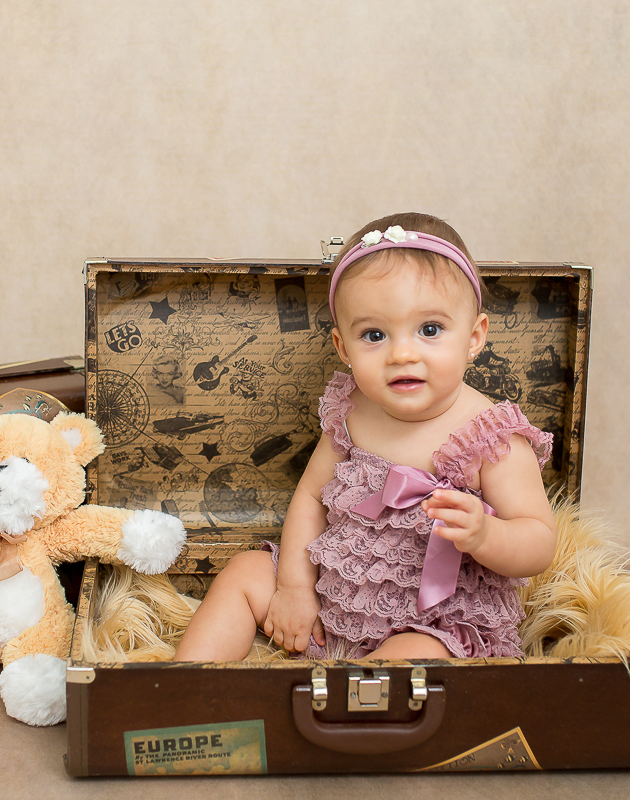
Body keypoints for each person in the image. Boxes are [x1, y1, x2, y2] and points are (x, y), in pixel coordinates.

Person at [174, 213, 558, 661]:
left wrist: (485, 534)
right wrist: (295, 588)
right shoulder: (352, 410)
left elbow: (539, 542)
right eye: (374, 335)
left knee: (418, 656)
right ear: (343, 348)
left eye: (429, 330)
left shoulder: (492, 437)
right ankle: (186, 692)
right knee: (245, 572)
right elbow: (311, 497)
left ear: (474, 337)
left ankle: (341, 708)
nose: (402, 353)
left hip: (434, 617)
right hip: (330, 596)